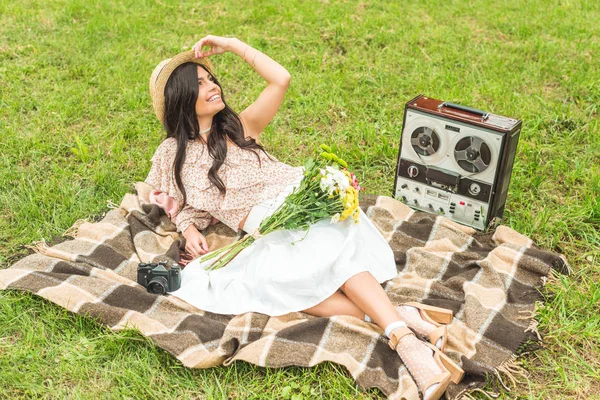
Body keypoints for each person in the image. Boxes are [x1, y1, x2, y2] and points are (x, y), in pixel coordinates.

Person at [145, 34, 464, 400]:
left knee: (323, 262)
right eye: (199, 84)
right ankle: (405, 315)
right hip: (268, 230)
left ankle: (405, 341)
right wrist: (186, 228)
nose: (213, 86)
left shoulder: (240, 127)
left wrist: (233, 45)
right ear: (181, 99)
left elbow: (280, 78)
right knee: (277, 286)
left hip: (305, 204)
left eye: (211, 79)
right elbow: (182, 200)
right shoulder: (172, 155)